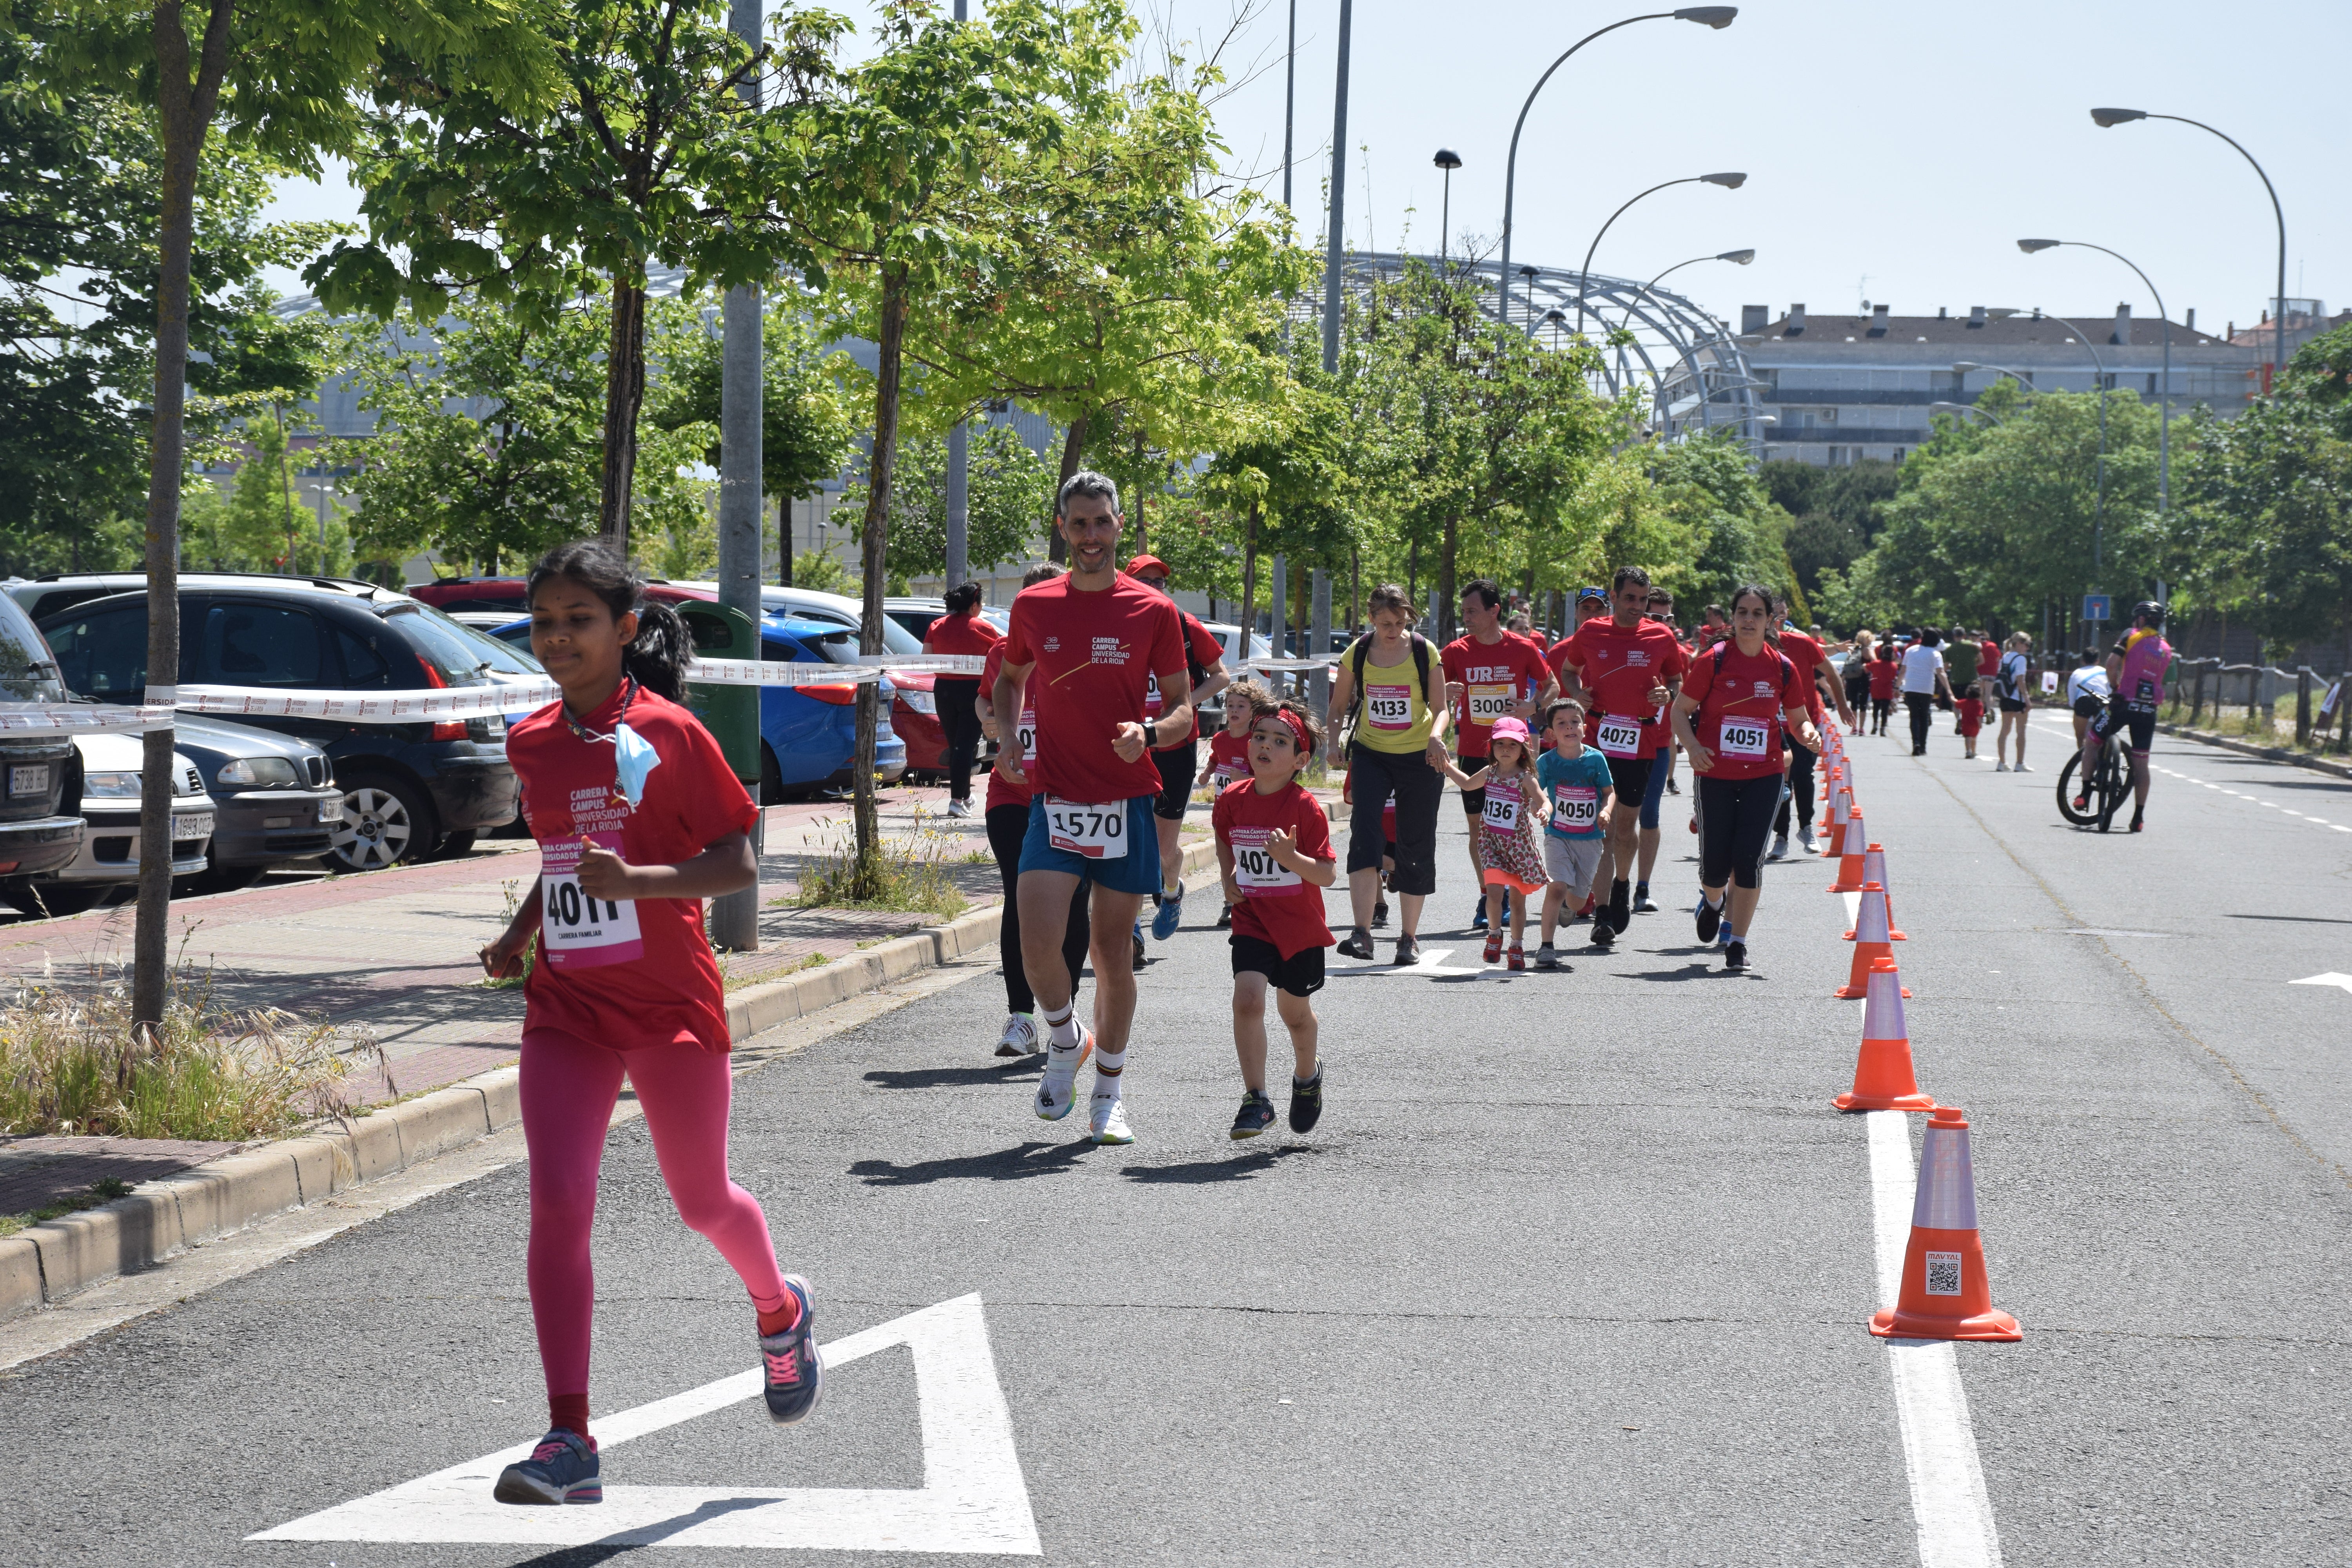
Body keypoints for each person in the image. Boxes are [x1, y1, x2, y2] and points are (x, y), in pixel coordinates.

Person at [478, 541, 815, 1508]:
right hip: (568, 1008)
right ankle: (569, 1437)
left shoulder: (674, 733)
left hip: (668, 1006)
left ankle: (780, 1309)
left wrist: (642, 883)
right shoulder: (533, 738)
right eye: (544, 622)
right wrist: (517, 935)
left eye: (579, 620)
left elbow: (739, 862)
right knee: (558, 1203)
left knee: (702, 1201)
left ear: (624, 629)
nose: (557, 639)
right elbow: (563, 862)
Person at [993, 472, 1191, 1145]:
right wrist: (1006, 741)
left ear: (1118, 526)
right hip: (1054, 798)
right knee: (1037, 944)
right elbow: (1010, 679)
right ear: (1062, 528)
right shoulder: (1035, 607)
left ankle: (1108, 1092)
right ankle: (1064, 1037)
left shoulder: (1153, 611)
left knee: (1112, 955)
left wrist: (1152, 735)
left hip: (1126, 801)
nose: (1090, 538)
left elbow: (1185, 709)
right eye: (1078, 525)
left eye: (1101, 524)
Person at [974, 563, 1096, 1057]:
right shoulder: (1002, 652)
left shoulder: (1086, 650)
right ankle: (1020, 1017)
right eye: (1029, 602)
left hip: (1072, 795)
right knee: (1018, 899)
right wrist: (993, 725)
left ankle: (1063, 1011)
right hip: (1012, 793)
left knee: (1074, 900)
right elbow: (987, 703)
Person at [1671, 584, 1822, 973]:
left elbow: (1799, 717)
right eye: (1743, 612)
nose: (1749, 620)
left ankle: (1737, 942)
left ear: (1771, 620)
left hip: (1765, 773)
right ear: (1733, 617)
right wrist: (1692, 748)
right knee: (1715, 866)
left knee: (1750, 861)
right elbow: (1680, 710)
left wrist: (1808, 734)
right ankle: (1714, 900)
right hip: (1715, 773)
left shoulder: (1782, 667)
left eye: (1758, 613)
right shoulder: (1714, 661)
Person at [1214, 701, 1336, 1138]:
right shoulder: (1231, 799)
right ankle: (1256, 1099)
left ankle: (1307, 1079)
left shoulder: (1306, 809)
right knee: (1247, 999)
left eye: (1280, 741)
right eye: (1260, 736)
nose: (1265, 745)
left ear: (1301, 760)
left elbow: (1325, 873)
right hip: (1252, 918)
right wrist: (1228, 873)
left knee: (1296, 1014)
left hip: (1299, 928)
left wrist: (1290, 857)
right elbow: (1224, 836)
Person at [1551, 566, 1686, 947]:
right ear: (1614, 596)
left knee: (1626, 828)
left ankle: (1623, 884)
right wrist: (1577, 694)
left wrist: (1667, 694)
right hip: (1596, 739)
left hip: (1639, 742)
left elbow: (1676, 680)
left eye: (1643, 600)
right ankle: (1604, 914)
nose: (1637, 607)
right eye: (1630, 599)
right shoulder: (1591, 632)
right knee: (1601, 830)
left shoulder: (1661, 636)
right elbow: (1569, 670)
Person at [1326, 583, 1452, 966]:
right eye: (1385, 623)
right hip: (1371, 754)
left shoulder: (1422, 651)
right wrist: (1333, 743)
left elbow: (1441, 707)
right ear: (1372, 619)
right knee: (1365, 835)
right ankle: (1362, 933)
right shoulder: (1359, 652)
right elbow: (1336, 707)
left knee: (1415, 844)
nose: (1393, 629)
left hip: (1419, 757)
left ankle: (1408, 938)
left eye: (1399, 622)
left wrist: (1435, 737)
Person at [1123, 554, 1231, 945]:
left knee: (1162, 848)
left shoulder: (1183, 624)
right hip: (1129, 745)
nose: (1154, 588)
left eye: (1160, 582)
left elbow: (1221, 676)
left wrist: (1186, 703)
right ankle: (1130, 930)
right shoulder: (1117, 625)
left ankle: (1172, 892)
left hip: (1175, 746)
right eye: (1145, 581)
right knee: (1130, 839)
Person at [1441, 579, 1557, 931]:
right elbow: (1432, 696)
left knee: (1512, 826)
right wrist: (1444, 692)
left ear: (1494, 611)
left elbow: (1552, 686)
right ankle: (1489, 892)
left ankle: (1509, 890)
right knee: (1480, 828)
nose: (1467, 618)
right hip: (1474, 751)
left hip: (1514, 753)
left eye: (1473, 611)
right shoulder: (1456, 651)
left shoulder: (1522, 649)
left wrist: (1531, 705)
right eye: (1464, 612)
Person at [1439, 715, 1548, 970]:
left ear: (1523, 749)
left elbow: (1544, 801)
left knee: (1518, 902)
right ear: (1492, 748)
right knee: (1495, 893)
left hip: (1519, 846)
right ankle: (1495, 933)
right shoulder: (1489, 773)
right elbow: (1467, 785)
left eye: (1513, 745)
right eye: (1500, 744)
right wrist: (1446, 766)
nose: (1506, 750)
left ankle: (1517, 945)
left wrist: (1545, 812)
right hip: (1491, 844)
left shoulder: (1525, 778)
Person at [1768, 595, 1853, 858]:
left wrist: (1842, 705)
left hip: (1804, 722)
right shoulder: (1750, 647)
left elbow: (1831, 672)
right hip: (1771, 724)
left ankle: (1806, 827)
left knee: (1802, 775)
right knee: (1778, 781)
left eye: (1773, 617)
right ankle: (1781, 836)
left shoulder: (1803, 643)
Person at [1532, 698, 1614, 970]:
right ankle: (1546, 948)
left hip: (1590, 839)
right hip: (1557, 834)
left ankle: (1571, 906)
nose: (1570, 727)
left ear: (1585, 727)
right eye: (1562, 723)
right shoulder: (1546, 762)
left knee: (1578, 900)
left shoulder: (1595, 759)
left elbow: (1609, 792)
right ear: (1551, 733)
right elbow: (1537, 793)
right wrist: (1542, 808)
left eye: (1575, 722)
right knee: (1556, 887)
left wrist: (1606, 812)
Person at [2083, 602, 2173, 831]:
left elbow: (2112, 665)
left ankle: (2084, 793)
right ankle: (2138, 817)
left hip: (2124, 702)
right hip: (2149, 708)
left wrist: (2115, 687)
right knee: (2141, 763)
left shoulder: (2131, 635)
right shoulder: (2166, 648)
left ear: (2141, 620)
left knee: (2092, 741)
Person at [1199, 677, 1276, 931]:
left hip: (1248, 813)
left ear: (1253, 712)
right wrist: (1208, 773)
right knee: (1226, 863)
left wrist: (1246, 779)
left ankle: (1254, 904)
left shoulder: (1256, 741)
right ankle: (1229, 905)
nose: (1233, 711)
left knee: (1247, 860)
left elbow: (1272, 774)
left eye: (1241, 706)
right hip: (1222, 811)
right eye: (1230, 705)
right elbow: (1215, 757)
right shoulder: (1220, 738)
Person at [923, 582, 1003, 819]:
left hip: (944, 690)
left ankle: (964, 796)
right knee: (965, 747)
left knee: (956, 744)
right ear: (975, 604)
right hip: (974, 690)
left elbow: (926, 659)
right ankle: (958, 800)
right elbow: (1000, 658)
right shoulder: (985, 628)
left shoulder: (936, 626)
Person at [1900, 629, 1953, 755]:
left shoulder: (1910, 651)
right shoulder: (1935, 654)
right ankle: (1923, 746)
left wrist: (1897, 687)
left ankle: (1916, 743)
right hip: (1926, 688)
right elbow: (1941, 673)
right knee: (1924, 717)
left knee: (1914, 716)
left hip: (1911, 687)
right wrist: (1949, 690)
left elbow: (1903, 670)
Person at [1993, 632, 2034, 771]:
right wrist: (2027, 699)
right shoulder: (2021, 659)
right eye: (2026, 645)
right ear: (2019, 644)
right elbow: (2020, 679)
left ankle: (2002, 762)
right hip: (2017, 698)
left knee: (2005, 730)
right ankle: (2020, 763)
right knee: (2021, 731)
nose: (2028, 648)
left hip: (2005, 697)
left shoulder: (2006, 657)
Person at [2066, 648, 2113, 751]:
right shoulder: (2104, 672)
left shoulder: (2076, 673)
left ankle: (2083, 759)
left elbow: (2072, 702)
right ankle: (2103, 758)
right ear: (2098, 661)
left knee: (2080, 736)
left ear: (2083, 661)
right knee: (2102, 735)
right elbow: (2111, 693)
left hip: (2083, 701)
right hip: (2102, 701)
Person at [1867, 641, 1899, 735]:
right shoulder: (1894, 666)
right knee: (1885, 710)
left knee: (1876, 708)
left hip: (1876, 687)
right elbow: (1893, 677)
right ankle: (1883, 728)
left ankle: (1875, 725)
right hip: (1887, 689)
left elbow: (1867, 667)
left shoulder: (1876, 663)